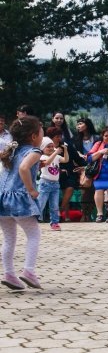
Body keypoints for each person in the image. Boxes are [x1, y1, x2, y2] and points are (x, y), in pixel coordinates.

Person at [0, 116, 44, 291]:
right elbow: (24, 168)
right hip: (19, 200)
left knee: (9, 239)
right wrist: (31, 189)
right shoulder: (34, 151)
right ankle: (29, 271)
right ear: (33, 136)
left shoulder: (11, 150)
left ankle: (9, 274)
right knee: (34, 235)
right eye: (41, 130)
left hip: (3, 199)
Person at [36, 135, 68, 231]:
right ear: (42, 148)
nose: (50, 148)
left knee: (54, 205)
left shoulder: (57, 156)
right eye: (48, 146)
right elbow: (46, 163)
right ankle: (34, 221)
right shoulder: (42, 156)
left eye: (51, 146)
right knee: (40, 204)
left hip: (55, 184)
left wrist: (65, 150)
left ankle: (54, 222)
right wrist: (55, 153)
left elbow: (66, 160)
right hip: (44, 183)